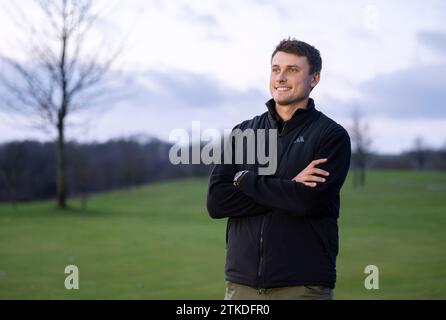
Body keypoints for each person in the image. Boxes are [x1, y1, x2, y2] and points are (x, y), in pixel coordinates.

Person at [206, 38, 351, 300]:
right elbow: (217, 203)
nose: (281, 77)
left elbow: (307, 202)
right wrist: (289, 185)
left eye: (292, 70)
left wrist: (247, 181)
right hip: (241, 287)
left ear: (314, 78)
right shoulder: (244, 132)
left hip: (302, 287)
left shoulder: (331, 136)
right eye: (276, 69)